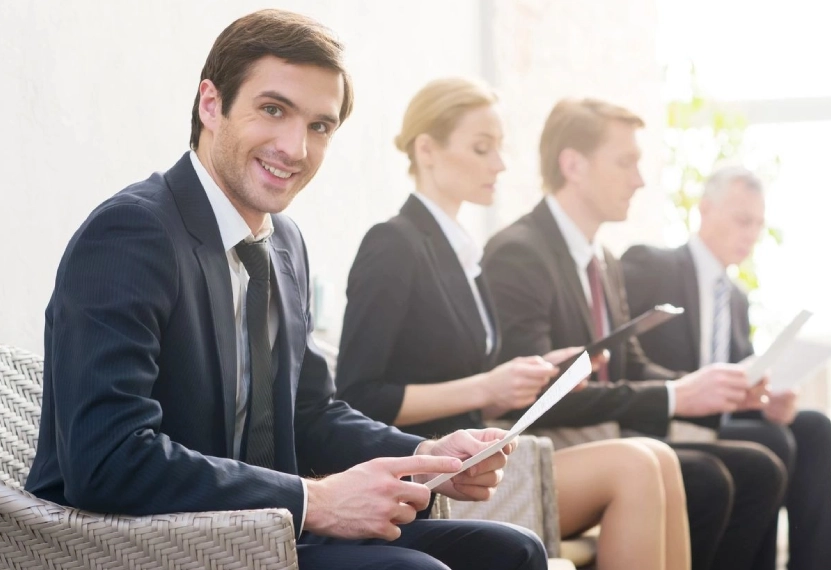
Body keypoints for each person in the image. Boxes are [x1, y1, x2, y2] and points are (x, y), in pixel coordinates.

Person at [25, 10, 547, 570]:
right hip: (150, 542)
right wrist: (314, 500)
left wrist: (424, 454)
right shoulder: (132, 233)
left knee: (512, 552)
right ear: (210, 104)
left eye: (320, 126)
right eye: (273, 110)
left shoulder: (284, 243)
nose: (295, 148)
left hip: (262, 525)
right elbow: (107, 458)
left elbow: (313, 414)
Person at [336, 77, 691, 570]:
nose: (499, 165)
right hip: (429, 476)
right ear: (427, 150)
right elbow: (359, 394)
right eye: (482, 149)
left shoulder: (462, 255)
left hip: (477, 461)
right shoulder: (393, 244)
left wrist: (537, 371)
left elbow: (471, 372)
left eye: (499, 149)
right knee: (635, 466)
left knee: (659, 458)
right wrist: (487, 387)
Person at [481, 98, 788, 570]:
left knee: (759, 467)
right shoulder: (519, 252)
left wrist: (709, 390)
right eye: (626, 162)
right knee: (713, 478)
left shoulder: (602, 258)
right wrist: (674, 395)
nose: (640, 180)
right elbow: (536, 398)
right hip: (556, 442)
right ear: (573, 165)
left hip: (607, 432)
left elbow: (632, 363)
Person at [621, 165, 831, 570]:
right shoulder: (653, 265)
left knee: (813, 427)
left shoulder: (737, 299)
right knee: (771, 441)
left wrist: (767, 401)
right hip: (669, 416)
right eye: (743, 220)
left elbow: (746, 375)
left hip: (721, 420)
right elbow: (626, 361)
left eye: (758, 224)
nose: (751, 234)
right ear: (705, 210)